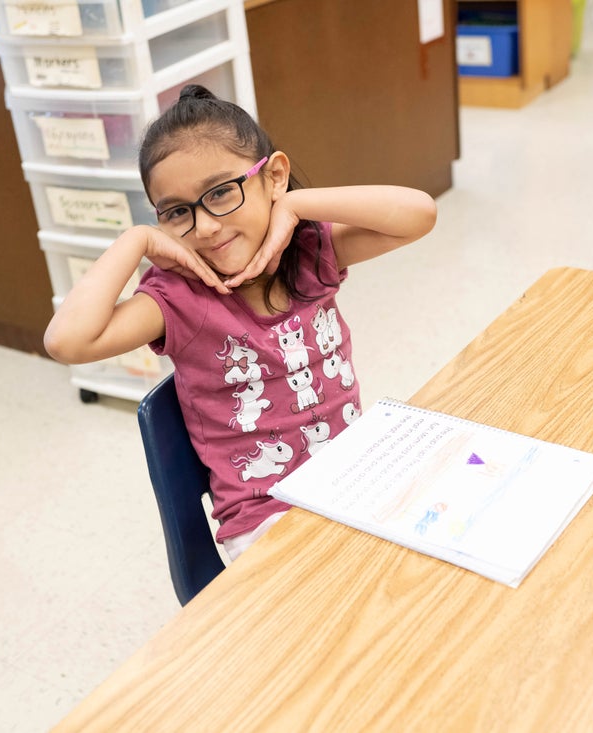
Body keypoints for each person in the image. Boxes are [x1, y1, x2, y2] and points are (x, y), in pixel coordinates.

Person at [44, 85, 437, 560]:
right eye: (176, 212)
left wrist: (294, 204)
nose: (206, 226)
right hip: (267, 518)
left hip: (355, 477)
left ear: (273, 175)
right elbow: (67, 342)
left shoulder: (310, 251)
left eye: (222, 192)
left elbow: (419, 214)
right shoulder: (177, 298)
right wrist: (135, 242)